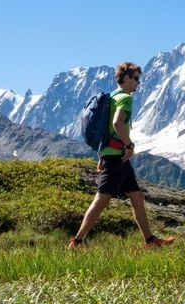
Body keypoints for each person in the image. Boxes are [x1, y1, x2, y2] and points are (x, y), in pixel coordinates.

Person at [69, 61, 173, 249]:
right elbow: (117, 123)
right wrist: (129, 144)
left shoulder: (111, 97)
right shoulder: (125, 98)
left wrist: (102, 155)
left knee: (136, 196)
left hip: (114, 156)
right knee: (101, 199)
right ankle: (77, 241)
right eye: (135, 79)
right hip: (117, 157)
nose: (138, 83)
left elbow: (105, 130)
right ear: (125, 78)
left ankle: (150, 241)